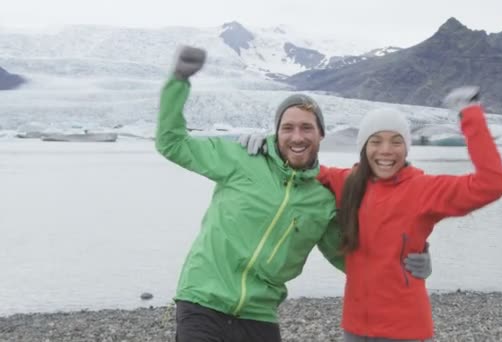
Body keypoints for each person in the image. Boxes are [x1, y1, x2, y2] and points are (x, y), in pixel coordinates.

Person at [155, 45, 432, 342]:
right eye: (287, 128)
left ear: (321, 134)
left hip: (259, 315)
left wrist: (414, 259)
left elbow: (356, 261)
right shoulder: (243, 158)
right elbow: (171, 143)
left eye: (306, 128)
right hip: (203, 301)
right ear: (277, 132)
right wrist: (179, 81)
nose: (297, 137)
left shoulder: (322, 199)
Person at [242, 86, 502, 341]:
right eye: (376, 141)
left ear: (406, 148)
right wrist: (266, 147)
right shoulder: (347, 183)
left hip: (405, 330)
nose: (385, 151)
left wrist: (470, 114)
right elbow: (299, 167)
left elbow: (491, 184)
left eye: (395, 141)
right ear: (363, 147)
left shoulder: (424, 189)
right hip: (355, 328)